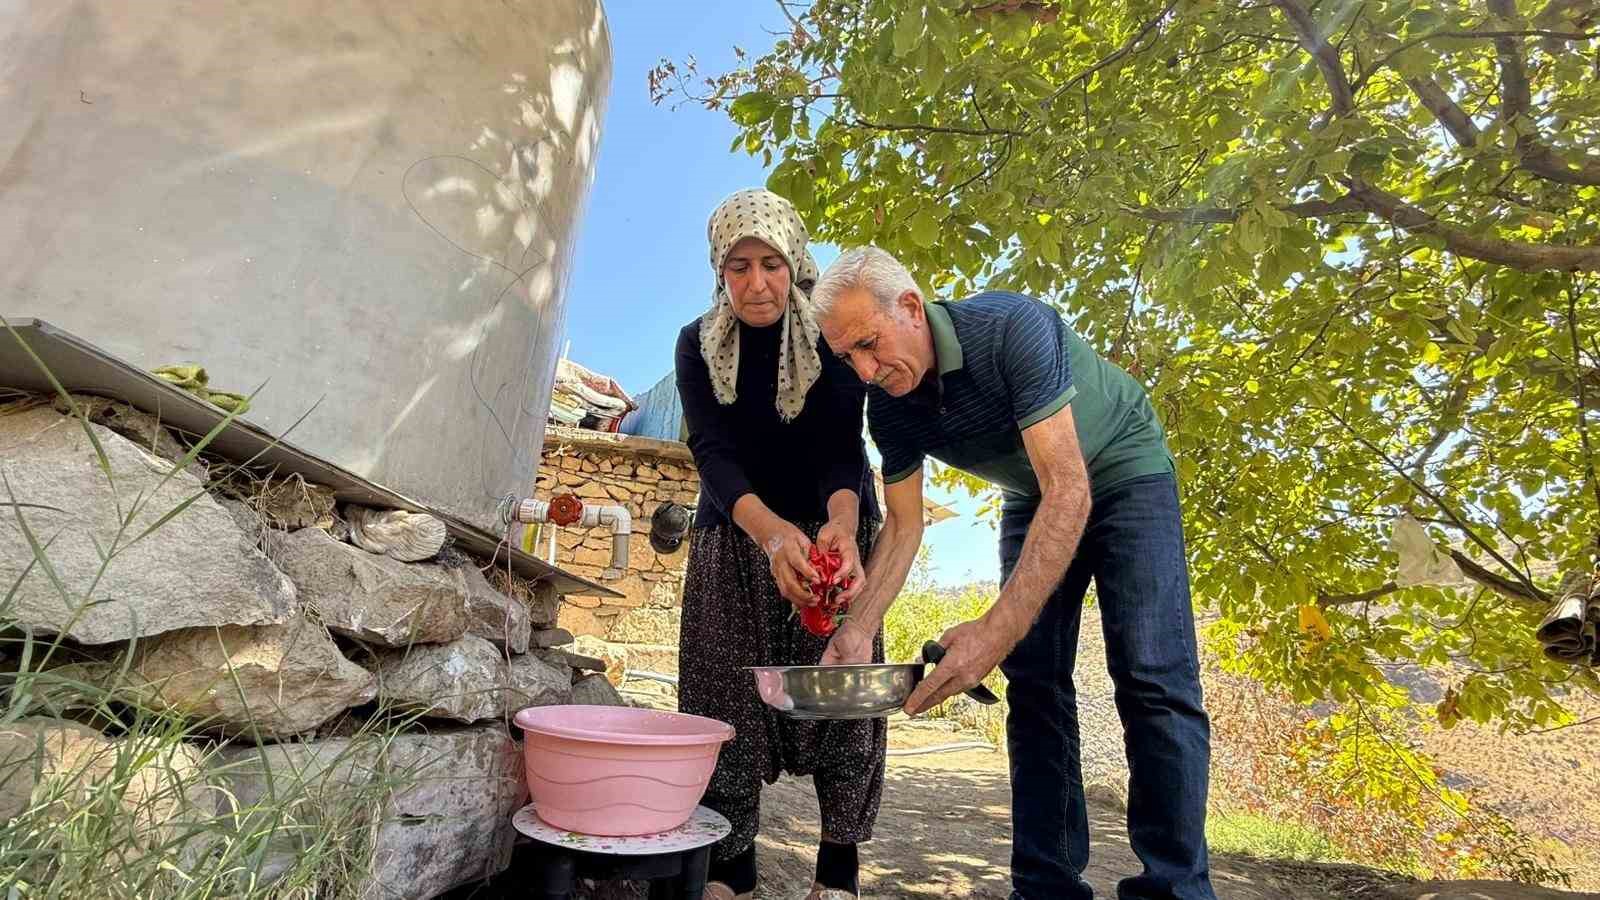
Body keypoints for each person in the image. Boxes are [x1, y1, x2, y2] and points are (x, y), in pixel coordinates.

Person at [809, 246, 1217, 900]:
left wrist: (993, 633)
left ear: (911, 307)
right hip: (1037, 494)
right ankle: (1046, 886)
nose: (863, 369)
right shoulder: (887, 407)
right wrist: (858, 630)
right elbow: (904, 527)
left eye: (868, 344)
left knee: (1150, 672)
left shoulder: (1011, 328)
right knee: (1033, 683)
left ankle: (1175, 888)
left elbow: (1072, 490)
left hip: (1119, 469)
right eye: (846, 357)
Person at [674, 189, 886, 900]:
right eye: (739, 267)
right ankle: (732, 868)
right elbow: (711, 449)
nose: (756, 283)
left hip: (836, 520)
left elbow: (839, 445)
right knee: (724, 698)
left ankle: (837, 871)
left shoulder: (830, 334)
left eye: (770, 263)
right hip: (737, 535)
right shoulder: (695, 344)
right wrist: (768, 535)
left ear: (795, 264)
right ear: (719, 271)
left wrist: (843, 530)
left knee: (844, 685)